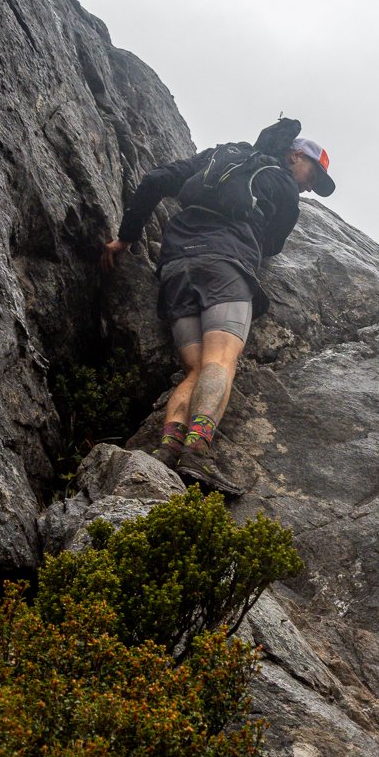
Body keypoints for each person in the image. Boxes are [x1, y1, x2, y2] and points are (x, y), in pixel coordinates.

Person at [100, 118, 334, 490]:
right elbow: (270, 246)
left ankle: (167, 449)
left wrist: (125, 239)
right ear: (294, 156)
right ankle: (197, 453)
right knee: (220, 359)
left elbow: (155, 180)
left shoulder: (223, 155)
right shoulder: (284, 187)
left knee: (195, 368)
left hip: (175, 265)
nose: (309, 187)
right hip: (225, 265)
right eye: (313, 175)